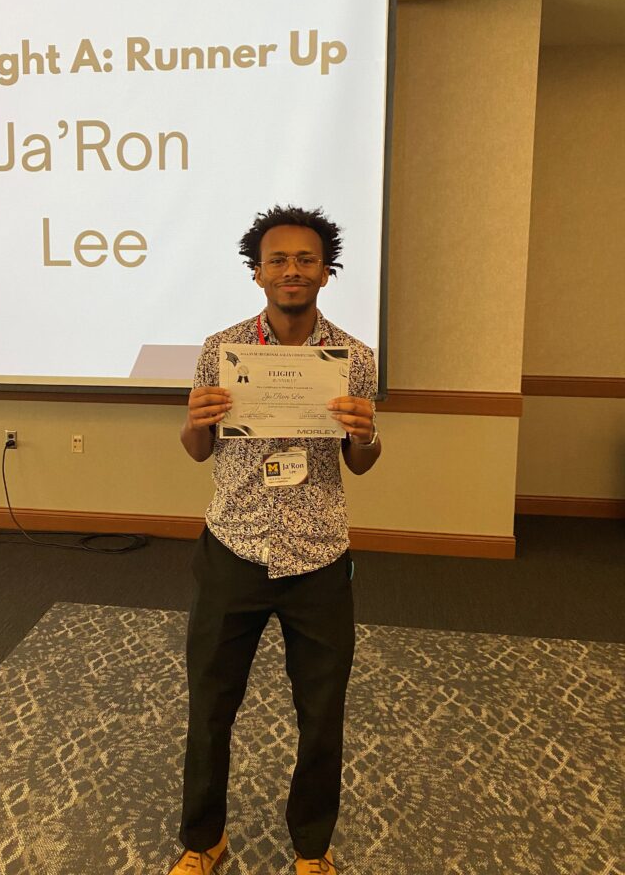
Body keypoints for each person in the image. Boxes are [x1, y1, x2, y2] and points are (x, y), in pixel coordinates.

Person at [168, 205, 381, 875]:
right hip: (234, 545)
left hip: (318, 553)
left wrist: (367, 435)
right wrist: (195, 421)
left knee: (321, 713)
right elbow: (197, 450)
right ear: (258, 272)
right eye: (278, 259)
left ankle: (312, 848)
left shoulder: (354, 359)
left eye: (306, 259)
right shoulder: (221, 350)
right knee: (210, 706)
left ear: (326, 270)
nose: (292, 270)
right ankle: (204, 841)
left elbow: (359, 463)